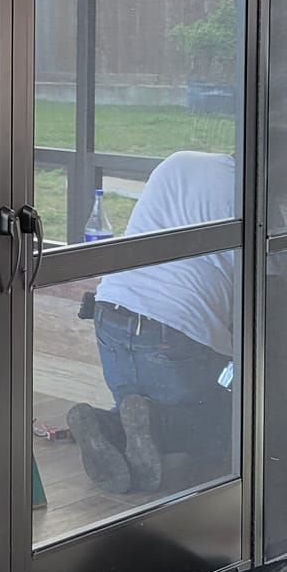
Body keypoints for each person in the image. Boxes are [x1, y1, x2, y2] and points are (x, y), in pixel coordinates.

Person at [69, 149, 236, 496]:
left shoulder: (180, 161)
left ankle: (106, 424)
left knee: (136, 406)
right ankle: (157, 427)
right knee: (217, 431)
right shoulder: (252, 193)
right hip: (177, 330)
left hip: (112, 311)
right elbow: (272, 282)